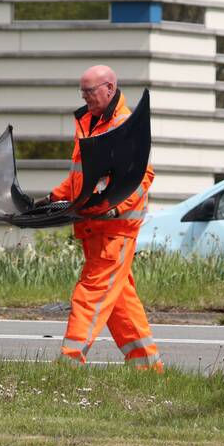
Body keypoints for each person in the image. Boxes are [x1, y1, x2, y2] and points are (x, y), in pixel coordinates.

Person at [35, 65, 163, 370]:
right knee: (120, 303)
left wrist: (116, 207)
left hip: (115, 229)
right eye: (82, 92)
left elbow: (141, 176)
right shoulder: (87, 122)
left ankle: (69, 363)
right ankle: (148, 366)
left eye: (89, 92)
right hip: (93, 227)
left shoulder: (125, 124)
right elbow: (80, 179)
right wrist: (52, 198)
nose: (85, 97)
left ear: (109, 87)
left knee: (89, 294)